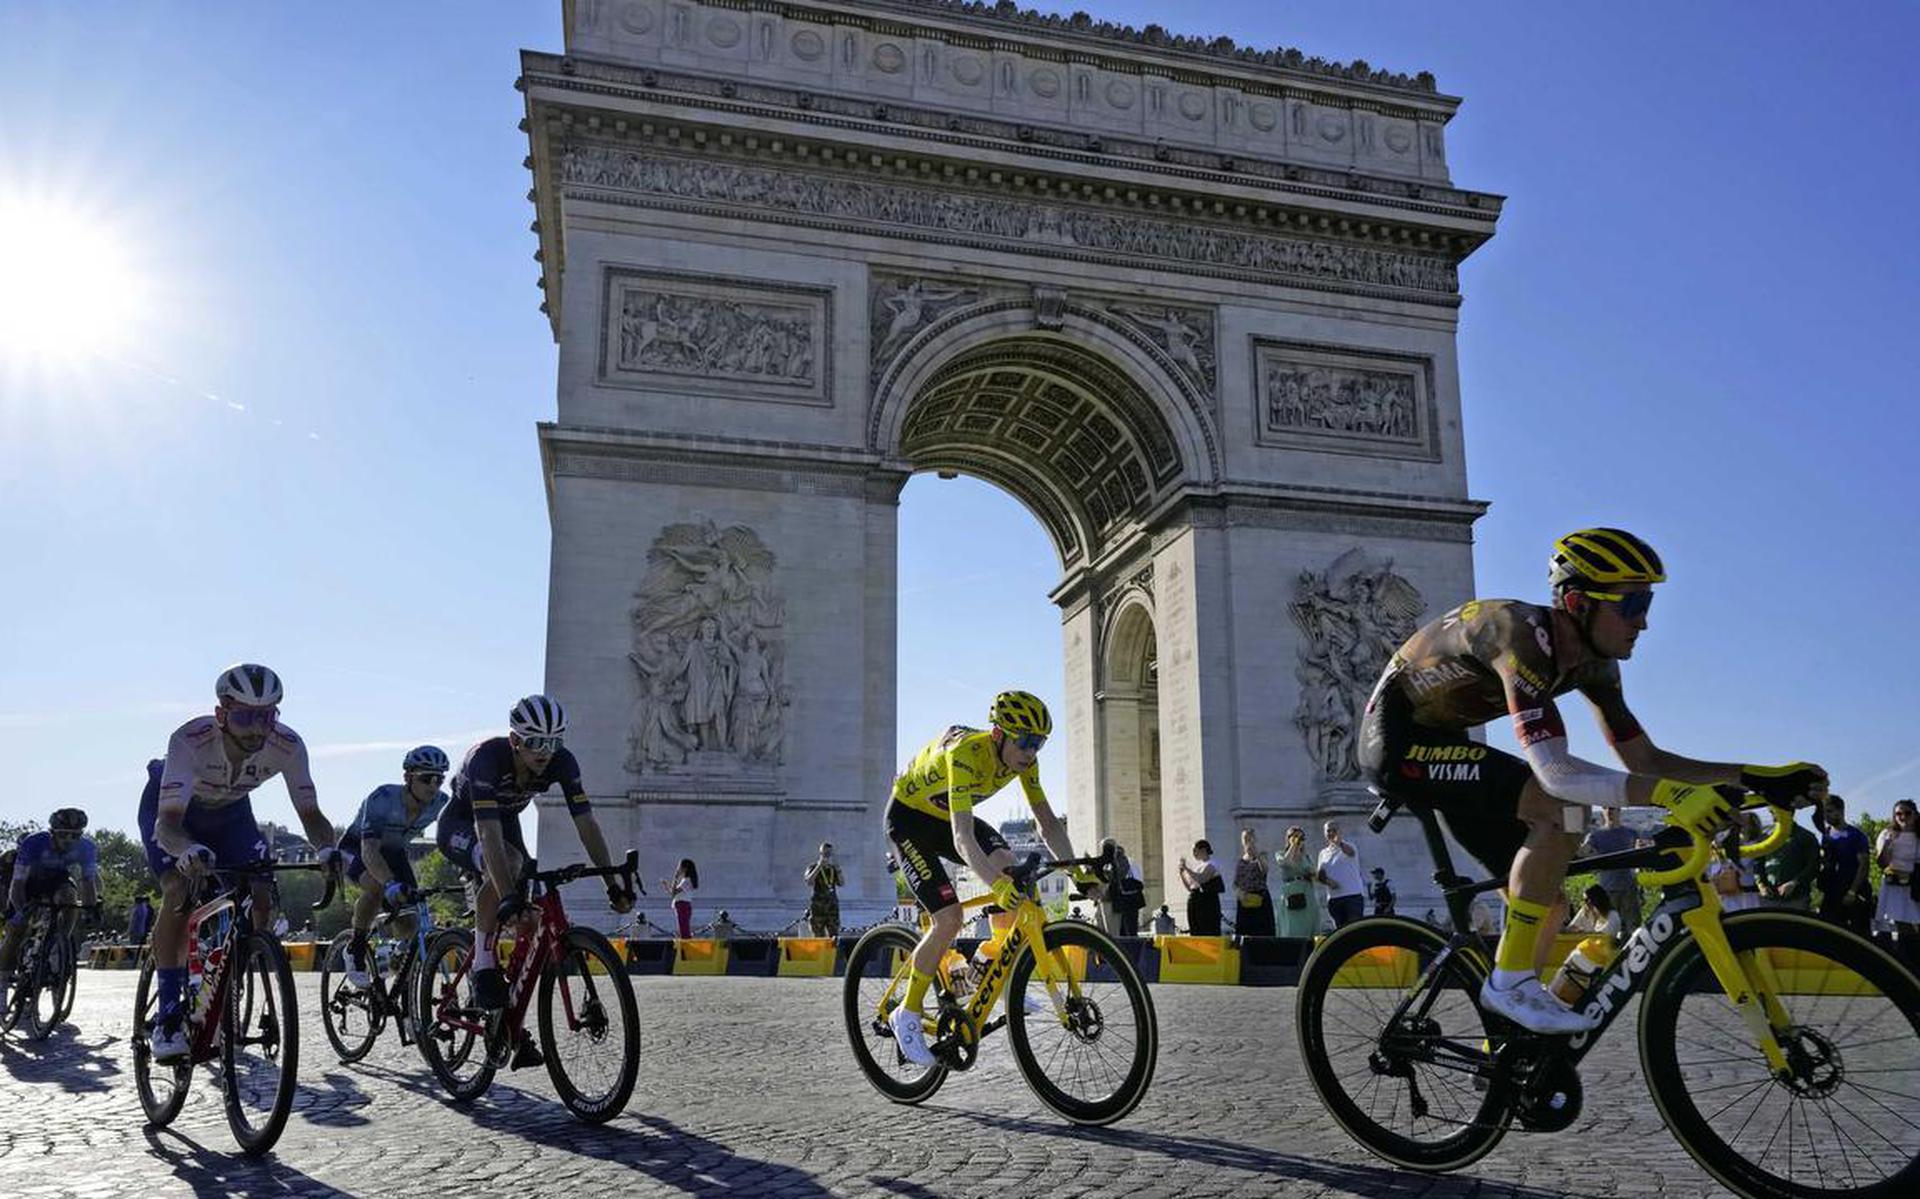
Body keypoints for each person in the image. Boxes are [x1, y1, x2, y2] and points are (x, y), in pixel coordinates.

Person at [1356, 528, 1828, 1033]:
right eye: (1632, 604)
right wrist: (1671, 795)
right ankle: (1509, 983)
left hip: (1448, 743)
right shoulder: (1516, 636)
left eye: (1647, 602)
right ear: (1578, 602)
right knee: (1560, 812)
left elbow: (1644, 758)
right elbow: (1556, 772)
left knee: (1549, 898)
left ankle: (1513, 1039)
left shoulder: (1595, 663)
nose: (1644, 621)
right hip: (1397, 745)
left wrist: (1755, 777)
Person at [139, 664, 346, 1062]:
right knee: (179, 890)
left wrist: (326, 849)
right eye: (245, 717)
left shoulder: (287, 745)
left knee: (262, 892)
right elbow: (167, 825)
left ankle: (229, 978)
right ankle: (167, 1018)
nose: (256, 729)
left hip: (231, 814)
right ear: (222, 715)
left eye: (266, 716)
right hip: (177, 815)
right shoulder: (190, 740)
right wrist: (186, 851)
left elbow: (312, 816)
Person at [882, 690, 1090, 1066]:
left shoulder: (1025, 763)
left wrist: (1078, 872)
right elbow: (963, 837)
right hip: (909, 821)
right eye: (1025, 741)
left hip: (945, 818)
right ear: (999, 735)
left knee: (1012, 865)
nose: (1031, 751)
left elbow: (1046, 823)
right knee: (950, 917)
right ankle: (907, 1015)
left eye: (1039, 743)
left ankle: (989, 965)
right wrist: (995, 886)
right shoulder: (965, 754)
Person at [436, 695, 633, 1053]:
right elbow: (488, 836)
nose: (545, 752)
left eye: (554, 743)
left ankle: (507, 1016)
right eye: (536, 743)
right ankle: (482, 962)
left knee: (530, 909)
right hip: (464, 823)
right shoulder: (487, 759)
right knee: (508, 869)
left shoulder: (562, 762)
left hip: (506, 819)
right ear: (515, 741)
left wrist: (611, 881)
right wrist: (507, 892)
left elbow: (587, 823)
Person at [337, 745, 451, 988]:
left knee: (412, 918)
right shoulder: (383, 798)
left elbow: (454, 836)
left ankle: (399, 969)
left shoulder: (440, 802)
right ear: (408, 778)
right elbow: (369, 851)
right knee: (377, 888)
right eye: (426, 778)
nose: (433, 785)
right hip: (357, 849)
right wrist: (389, 884)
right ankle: (355, 947)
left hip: (394, 853)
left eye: (439, 779)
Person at [0, 808, 102, 1014]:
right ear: (52, 832)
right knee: (16, 930)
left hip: (57, 880)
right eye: (63, 834)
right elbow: (17, 884)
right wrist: (19, 913)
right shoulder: (34, 843)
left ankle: (59, 943)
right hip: (28, 883)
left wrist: (92, 907)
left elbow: (88, 882)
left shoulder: (87, 847)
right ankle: (2, 984)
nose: (68, 840)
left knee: (69, 898)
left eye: (74, 836)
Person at [1577, 805, 1647, 933]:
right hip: (1607, 890)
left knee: (1633, 928)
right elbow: (1583, 852)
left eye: (1612, 808)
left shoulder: (1631, 833)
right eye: (1605, 808)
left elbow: (1641, 855)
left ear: (1619, 811)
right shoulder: (1596, 836)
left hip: (1629, 888)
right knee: (1608, 929)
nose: (1609, 811)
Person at [1812, 795, 1872, 934]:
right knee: (1829, 932)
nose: (1827, 816)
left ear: (1841, 811)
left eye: (1830, 811)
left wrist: (1852, 891)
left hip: (1854, 891)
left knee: (1859, 935)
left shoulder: (1856, 835)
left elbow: (1863, 866)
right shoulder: (1826, 834)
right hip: (1832, 891)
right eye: (1824, 813)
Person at [1873, 798, 1919, 966]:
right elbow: (1882, 863)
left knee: (1915, 925)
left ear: (1915, 815)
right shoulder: (1887, 834)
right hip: (1894, 886)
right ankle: (1905, 964)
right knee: (1899, 925)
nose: (1903, 817)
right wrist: (1888, 843)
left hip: (1914, 885)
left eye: (1907, 813)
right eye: (1898, 814)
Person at [1757, 815, 1819, 910]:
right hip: (1769, 899)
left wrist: (1794, 882)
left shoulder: (1806, 836)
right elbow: (1758, 864)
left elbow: (1813, 866)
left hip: (1797, 899)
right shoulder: (1765, 837)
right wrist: (1761, 885)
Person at [1274, 825, 1323, 938]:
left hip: (1307, 892)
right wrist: (1293, 845)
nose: (1298, 840)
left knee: (1309, 925)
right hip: (1291, 892)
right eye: (1295, 836)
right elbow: (1286, 862)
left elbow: (1314, 873)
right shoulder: (1280, 854)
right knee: (1291, 927)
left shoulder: (1306, 856)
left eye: (1301, 837)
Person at [1316, 821, 1365, 928]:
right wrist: (1328, 881)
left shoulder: (1349, 846)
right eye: (1328, 831)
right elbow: (1320, 875)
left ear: (1339, 832)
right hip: (1334, 899)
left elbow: (1351, 852)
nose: (1331, 833)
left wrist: (1339, 843)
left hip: (1352, 897)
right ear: (1325, 833)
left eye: (1334, 830)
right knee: (1340, 932)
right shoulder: (1323, 853)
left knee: (1355, 929)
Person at [1233, 829, 1275, 937]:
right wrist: (1239, 893)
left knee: (1262, 933)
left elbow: (1265, 870)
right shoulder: (1240, 861)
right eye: (1245, 838)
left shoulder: (1262, 855)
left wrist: (1256, 854)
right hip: (1245, 899)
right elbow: (1236, 883)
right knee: (1245, 933)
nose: (1247, 841)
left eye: (1250, 838)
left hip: (1260, 898)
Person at [1178, 839, 1224, 935]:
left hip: (1207, 902)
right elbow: (1190, 887)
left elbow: (1201, 879)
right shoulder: (1198, 867)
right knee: (1195, 929)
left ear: (1203, 850)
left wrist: (1187, 868)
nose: (1193, 853)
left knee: (1207, 929)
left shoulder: (1212, 864)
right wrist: (1182, 873)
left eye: (1195, 850)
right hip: (1195, 900)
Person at [804, 842, 843, 937]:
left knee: (834, 938)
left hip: (832, 908)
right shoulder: (813, 867)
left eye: (829, 854)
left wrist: (838, 870)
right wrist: (819, 867)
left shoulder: (833, 869)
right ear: (821, 854)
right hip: (818, 908)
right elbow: (809, 881)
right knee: (818, 937)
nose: (827, 856)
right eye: (825, 854)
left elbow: (841, 883)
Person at [666, 858, 698, 938]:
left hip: (682, 905)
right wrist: (667, 886)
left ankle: (686, 947)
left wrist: (675, 878)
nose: (678, 869)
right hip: (682, 905)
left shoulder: (686, 881)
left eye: (679, 867)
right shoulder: (685, 880)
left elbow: (674, 892)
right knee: (683, 929)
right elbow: (673, 892)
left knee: (684, 930)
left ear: (684, 868)